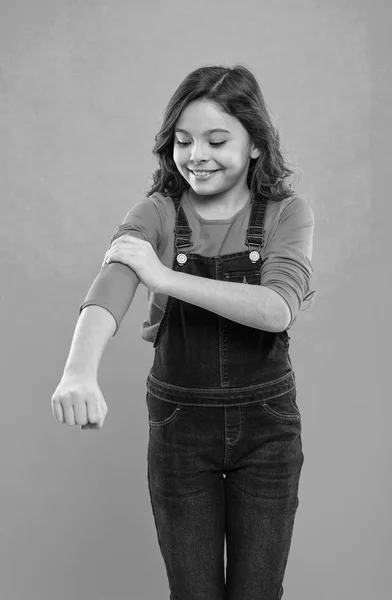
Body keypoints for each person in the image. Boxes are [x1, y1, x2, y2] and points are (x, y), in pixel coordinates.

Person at [52, 64, 315, 600]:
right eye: (183, 140)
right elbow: (110, 289)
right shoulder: (155, 213)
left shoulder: (289, 214)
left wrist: (164, 275)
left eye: (217, 140)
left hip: (267, 430)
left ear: (256, 144)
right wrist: (78, 371)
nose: (196, 154)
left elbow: (276, 309)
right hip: (179, 430)